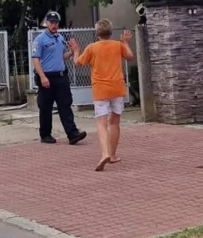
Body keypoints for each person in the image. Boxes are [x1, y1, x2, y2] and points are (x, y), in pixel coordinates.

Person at [68, 19, 134, 171]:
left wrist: (76, 50)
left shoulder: (92, 48)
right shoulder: (117, 45)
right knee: (115, 123)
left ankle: (104, 153)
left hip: (100, 90)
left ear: (97, 33)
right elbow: (130, 56)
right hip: (117, 88)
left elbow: (77, 63)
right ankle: (113, 154)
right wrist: (125, 43)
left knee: (101, 123)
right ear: (111, 32)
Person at [31, 11, 86, 145]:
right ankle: (45, 134)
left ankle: (72, 134)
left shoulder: (60, 38)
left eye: (56, 23)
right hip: (46, 77)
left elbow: (61, 57)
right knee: (46, 107)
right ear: (47, 23)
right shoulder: (40, 39)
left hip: (60, 76)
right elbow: (36, 60)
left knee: (65, 104)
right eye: (51, 22)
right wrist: (42, 77)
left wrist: (72, 52)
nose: (54, 25)